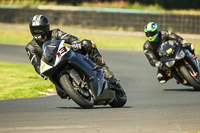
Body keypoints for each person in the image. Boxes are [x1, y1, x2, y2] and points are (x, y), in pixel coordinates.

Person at [25, 15, 117, 99]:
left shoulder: (55, 33)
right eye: (35, 30)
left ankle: (104, 69)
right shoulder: (30, 47)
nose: (37, 32)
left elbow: (70, 38)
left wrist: (75, 42)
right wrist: (41, 72)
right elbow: (36, 64)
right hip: (54, 70)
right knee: (61, 93)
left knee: (87, 44)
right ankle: (78, 91)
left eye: (40, 30)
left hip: (66, 56)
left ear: (46, 28)